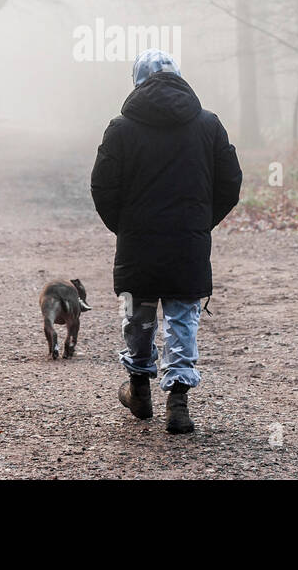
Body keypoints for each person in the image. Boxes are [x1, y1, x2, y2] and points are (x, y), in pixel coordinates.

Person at [90, 48, 242, 434]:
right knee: (182, 319)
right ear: (179, 77)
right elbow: (230, 183)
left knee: (138, 317)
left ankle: (139, 389)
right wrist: (200, 224)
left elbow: (102, 187)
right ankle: (178, 403)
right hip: (187, 243)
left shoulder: (120, 128)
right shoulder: (208, 125)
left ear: (137, 81)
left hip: (138, 241)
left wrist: (122, 227)